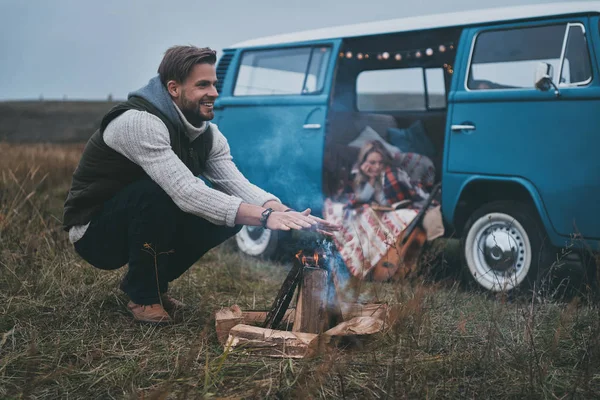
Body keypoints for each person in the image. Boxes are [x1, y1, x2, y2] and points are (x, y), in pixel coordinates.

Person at [62, 45, 340, 324]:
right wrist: (265, 218)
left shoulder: (209, 135)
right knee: (157, 192)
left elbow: (234, 184)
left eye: (214, 84)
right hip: (96, 234)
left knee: (230, 216)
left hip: (141, 220)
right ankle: (144, 295)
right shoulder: (139, 123)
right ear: (173, 88)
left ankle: (150, 284)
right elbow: (186, 193)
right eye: (203, 85)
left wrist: (282, 211)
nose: (214, 93)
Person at [323, 140, 444, 281]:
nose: (377, 166)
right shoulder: (360, 175)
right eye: (372, 163)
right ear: (364, 162)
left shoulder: (393, 175)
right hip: (383, 208)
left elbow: (392, 200)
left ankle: (394, 265)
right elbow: (362, 197)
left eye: (380, 162)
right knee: (361, 217)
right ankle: (369, 263)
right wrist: (372, 179)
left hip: (403, 204)